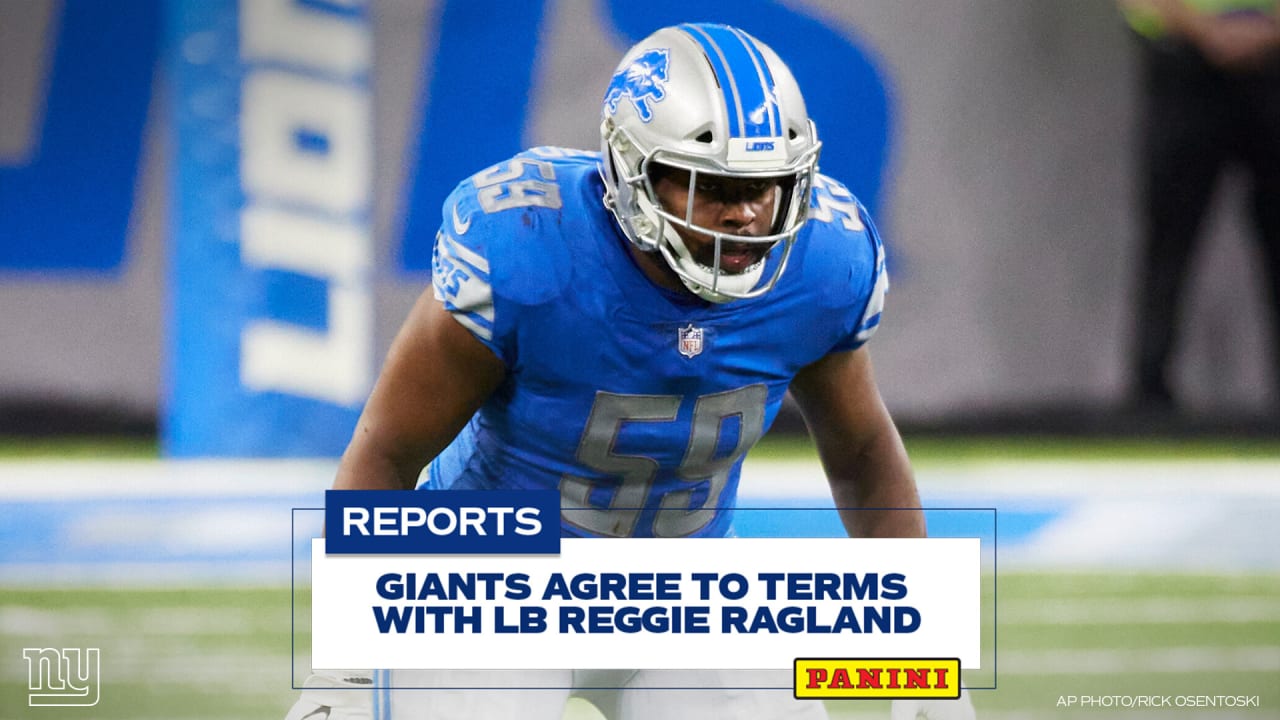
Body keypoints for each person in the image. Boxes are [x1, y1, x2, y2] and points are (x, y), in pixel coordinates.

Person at [287, 22, 974, 720]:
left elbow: (862, 452)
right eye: (711, 186)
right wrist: (345, 660)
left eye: (766, 186)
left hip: (688, 579)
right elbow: (388, 448)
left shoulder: (823, 263)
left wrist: (920, 660)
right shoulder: (527, 246)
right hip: (485, 573)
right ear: (630, 172)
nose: (744, 215)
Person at [1121, 0, 1280, 411]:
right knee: (1169, 237)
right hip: (1183, 59)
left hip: (1272, 65)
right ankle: (1149, 397)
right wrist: (1206, 30)